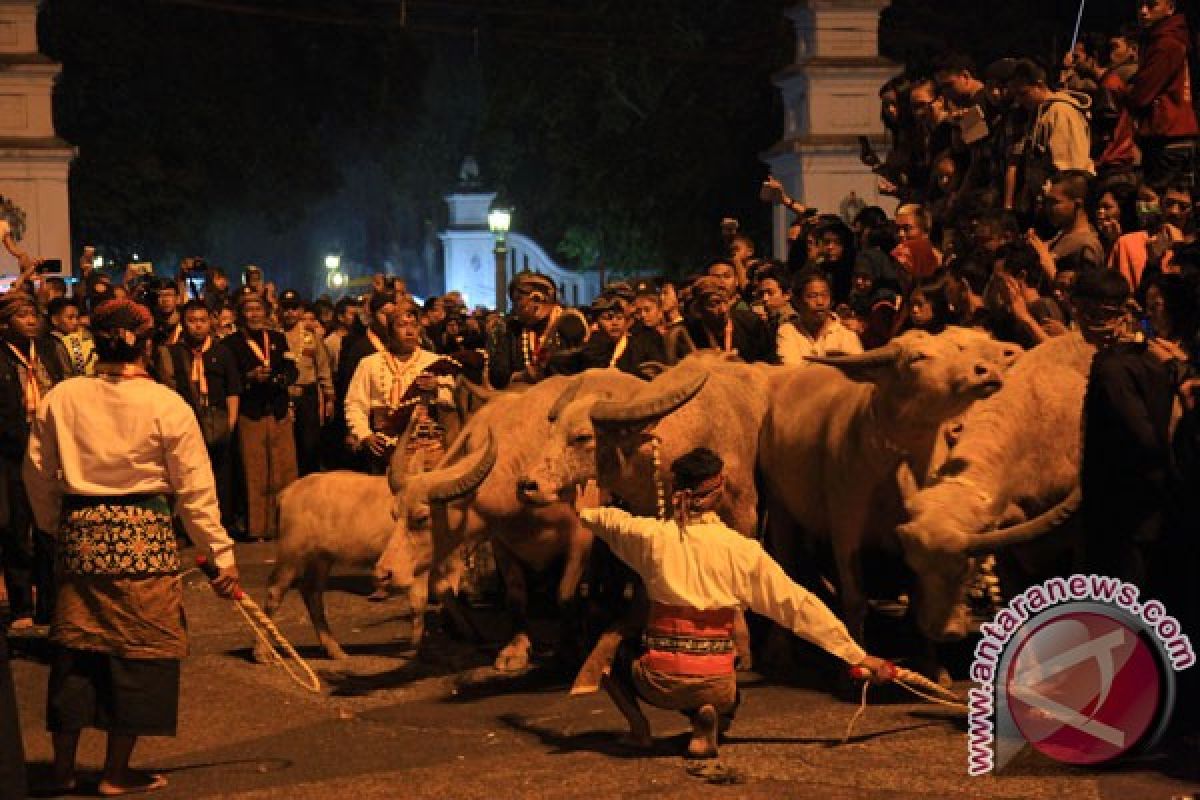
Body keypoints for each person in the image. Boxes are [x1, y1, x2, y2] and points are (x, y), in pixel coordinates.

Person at [22, 298, 240, 796]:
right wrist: (221, 555)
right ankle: (115, 774)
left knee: (76, 652)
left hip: (79, 539)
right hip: (146, 542)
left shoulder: (62, 397)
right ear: (145, 344)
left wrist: (57, 526)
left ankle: (61, 771)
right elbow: (195, 491)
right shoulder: (165, 403)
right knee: (140, 655)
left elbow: (35, 473)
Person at [577, 448, 894, 759]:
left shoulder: (651, 538)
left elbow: (613, 522)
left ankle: (639, 731)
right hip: (721, 688)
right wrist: (859, 656)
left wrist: (586, 512)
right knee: (721, 675)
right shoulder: (743, 551)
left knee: (611, 657)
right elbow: (798, 606)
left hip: (658, 683)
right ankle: (708, 719)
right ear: (720, 488)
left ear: (677, 490)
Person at [1075, 270, 1176, 587]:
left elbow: (1144, 438)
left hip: (1124, 521)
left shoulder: (1110, 369)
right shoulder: (1150, 356)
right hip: (1151, 515)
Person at [0, 291, 69, 629]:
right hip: (11, 456)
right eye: (20, 315)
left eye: (32, 314)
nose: (30, 321)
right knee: (15, 529)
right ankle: (21, 606)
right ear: (5, 323)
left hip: (48, 451)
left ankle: (49, 604)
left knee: (48, 528)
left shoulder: (47, 352)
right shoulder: (1, 357)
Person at [157, 300, 242, 535]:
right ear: (184, 324)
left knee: (221, 475)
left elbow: (232, 389)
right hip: (188, 419)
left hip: (218, 418)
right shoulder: (174, 352)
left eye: (202, 321)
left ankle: (222, 522)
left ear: (211, 322)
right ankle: (190, 526)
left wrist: (231, 422)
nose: (198, 326)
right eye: (192, 321)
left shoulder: (222, 351)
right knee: (190, 474)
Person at [344, 304, 460, 474]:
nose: (409, 331)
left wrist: (437, 388)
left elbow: (453, 400)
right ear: (390, 331)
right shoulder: (370, 364)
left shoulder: (434, 362)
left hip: (427, 448)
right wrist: (365, 435)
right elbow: (354, 404)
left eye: (414, 325)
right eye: (402, 325)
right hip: (385, 445)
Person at [221, 293, 299, 539]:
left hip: (277, 410)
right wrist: (249, 379)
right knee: (255, 473)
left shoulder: (277, 338)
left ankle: (285, 525)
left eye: (258, 309)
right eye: (248, 310)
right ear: (240, 314)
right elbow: (230, 380)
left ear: (266, 312)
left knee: (285, 470)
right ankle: (257, 528)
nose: (254, 314)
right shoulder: (230, 345)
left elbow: (291, 367)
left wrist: (281, 379)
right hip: (250, 413)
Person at [1127, 0, 1199, 187]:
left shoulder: (1166, 43)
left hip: (1167, 136)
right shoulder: (1170, 38)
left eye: (1152, 5)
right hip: (1176, 134)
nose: (1143, 11)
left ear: (1170, 8)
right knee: (1177, 203)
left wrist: (1119, 87)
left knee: (1153, 207)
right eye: (1140, 5)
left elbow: (1141, 95)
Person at [281, 293, 334, 476]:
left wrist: (329, 397)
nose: (290, 313)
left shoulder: (311, 337)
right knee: (288, 445)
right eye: (286, 308)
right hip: (284, 396)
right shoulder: (274, 336)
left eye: (294, 308)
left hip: (307, 395)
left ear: (301, 311)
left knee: (309, 444)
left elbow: (323, 368)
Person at [777, 271, 863, 365]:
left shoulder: (846, 331)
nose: (820, 302)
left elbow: (857, 369)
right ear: (798, 301)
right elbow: (792, 370)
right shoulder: (788, 330)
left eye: (824, 295)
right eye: (812, 296)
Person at [683, 276, 773, 363]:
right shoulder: (689, 333)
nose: (724, 310)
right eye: (715, 303)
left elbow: (770, 362)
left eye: (726, 301)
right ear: (698, 309)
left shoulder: (752, 323)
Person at [48, 297, 96, 377]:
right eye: (70, 318)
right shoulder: (50, 344)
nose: (75, 322)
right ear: (55, 320)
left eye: (77, 318)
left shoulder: (80, 337)